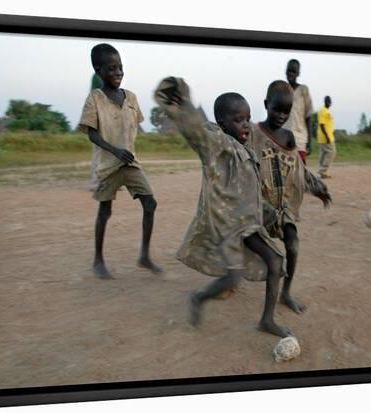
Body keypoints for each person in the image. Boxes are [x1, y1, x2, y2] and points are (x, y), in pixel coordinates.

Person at [154, 76, 293, 338]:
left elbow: (250, 192)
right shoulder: (217, 146)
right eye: (238, 120)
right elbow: (196, 130)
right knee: (232, 279)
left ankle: (267, 320)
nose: (245, 125)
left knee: (276, 261)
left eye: (248, 118)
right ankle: (199, 297)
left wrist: (273, 214)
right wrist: (182, 105)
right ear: (222, 124)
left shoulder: (247, 150)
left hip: (249, 224)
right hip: (229, 228)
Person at [79, 43, 162, 279]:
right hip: (109, 165)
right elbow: (92, 133)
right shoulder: (95, 98)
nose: (118, 73)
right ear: (99, 71)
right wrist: (115, 150)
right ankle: (98, 260)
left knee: (150, 204)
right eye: (111, 68)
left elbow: (134, 125)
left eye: (120, 68)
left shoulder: (131, 97)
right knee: (105, 210)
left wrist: (126, 148)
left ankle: (144, 256)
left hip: (131, 163)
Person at [251, 80, 331, 315]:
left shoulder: (288, 138)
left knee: (293, 246)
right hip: (257, 205)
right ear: (266, 104)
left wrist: (318, 188)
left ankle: (286, 292)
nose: (281, 115)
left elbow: (298, 171)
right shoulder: (253, 134)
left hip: (282, 206)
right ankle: (228, 279)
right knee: (241, 245)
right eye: (277, 109)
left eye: (286, 111)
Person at [283, 59, 314, 164]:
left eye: (294, 71)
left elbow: (308, 117)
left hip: (300, 139)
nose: (290, 74)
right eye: (289, 71)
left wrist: (309, 141)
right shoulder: (281, 89)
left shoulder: (303, 90)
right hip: (283, 137)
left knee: (300, 173)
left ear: (298, 73)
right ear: (285, 71)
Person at [317, 96, 336, 178]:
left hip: (326, 136)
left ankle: (322, 172)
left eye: (330, 101)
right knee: (332, 152)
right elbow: (322, 125)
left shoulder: (326, 110)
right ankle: (323, 171)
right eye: (328, 101)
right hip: (326, 136)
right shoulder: (323, 111)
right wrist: (327, 136)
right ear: (325, 102)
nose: (329, 103)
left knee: (324, 153)